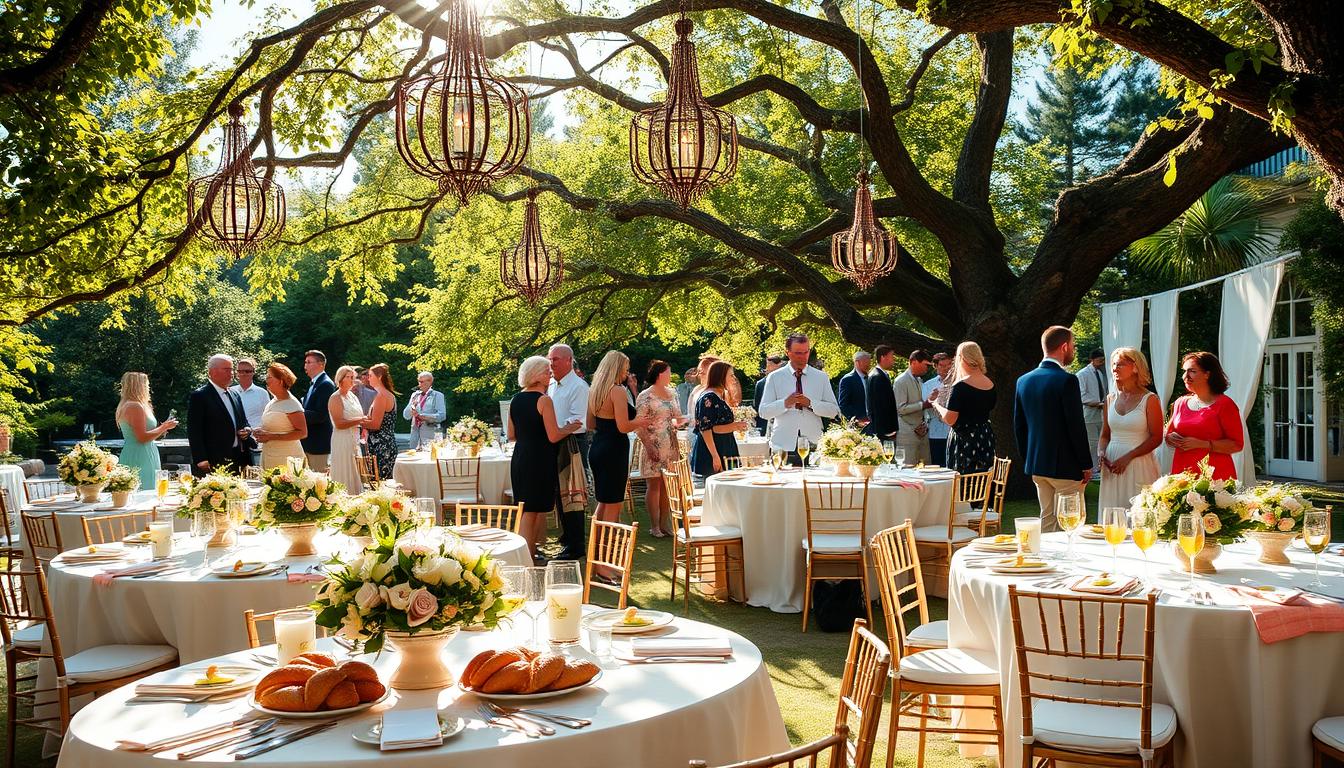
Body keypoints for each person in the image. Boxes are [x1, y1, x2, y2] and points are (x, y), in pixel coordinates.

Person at [1013, 326, 1094, 531]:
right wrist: (1086, 464)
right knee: (1070, 525)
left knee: (1047, 521)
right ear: (1064, 346)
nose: (1073, 351)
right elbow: (1075, 425)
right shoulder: (1067, 380)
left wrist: (1029, 458)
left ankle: (1045, 560)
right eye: (1073, 346)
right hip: (1065, 466)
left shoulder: (1023, 381)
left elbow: (1019, 427)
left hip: (1037, 464)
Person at [587, 351, 653, 580]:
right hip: (613, 450)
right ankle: (602, 565)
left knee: (603, 505)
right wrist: (641, 421)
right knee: (612, 508)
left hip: (597, 448)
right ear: (616, 368)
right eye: (625, 368)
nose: (627, 373)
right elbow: (624, 426)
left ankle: (596, 560)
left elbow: (589, 423)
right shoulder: (615, 391)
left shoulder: (594, 390)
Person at [509, 356, 582, 560]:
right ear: (536, 375)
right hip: (539, 460)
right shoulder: (544, 400)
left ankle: (529, 555)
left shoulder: (516, 399)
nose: (550, 374)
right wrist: (570, 427)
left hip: (521, 457)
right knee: (531, 512)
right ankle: (525, 559)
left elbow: (511, 434)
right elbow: (553, 435)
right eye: (546, 371)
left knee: (526, 509)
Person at [758, 333, 840, 463]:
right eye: (798, 353)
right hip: (783, 445)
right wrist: (785, 403)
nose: (803, 357)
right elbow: (763, 412)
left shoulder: (821, 377)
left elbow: (834, 410)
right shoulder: (774, 377)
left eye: (805, 352)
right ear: (788, 352)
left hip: (814, 444)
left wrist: (811, 403)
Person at [1098, 348, 1163, 512]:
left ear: (1135, 367)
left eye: (1120, 364)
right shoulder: (1110, 399)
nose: (1114, 368)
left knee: (1138, 514)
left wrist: (1128, 458)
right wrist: (1101, 453)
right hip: (1112, 465)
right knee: (1112, 515)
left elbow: (1156, 438)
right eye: (1113, 364)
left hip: (1139, 464)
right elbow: (1105, 435)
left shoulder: (1150, 399)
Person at [1165, 351, 1243, 480]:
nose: (1186, 376)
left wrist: (1204, 444)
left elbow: (1237, 444)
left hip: (1215, 474)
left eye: (1192, 371)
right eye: (1184, 371)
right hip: (1183, 472)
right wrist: (1170, 438)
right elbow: (1169, 434)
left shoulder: (1225, 404)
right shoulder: (1180, 403)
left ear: (1208, 374)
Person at [546, 343, 590, 560]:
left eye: (554, 359)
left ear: (568, 360)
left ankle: (576, 545)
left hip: (572, 444)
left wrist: (555, 432)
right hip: (557, 442)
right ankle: (567, 536)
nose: (550, 363)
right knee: (559, 493)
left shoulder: (579, 387)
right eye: (549, 359)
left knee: (572, 494)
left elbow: (579, 421)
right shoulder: (553, 384)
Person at [635, 360, 687, 537]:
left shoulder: (672, 393)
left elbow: (677, 418)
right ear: (659, 374)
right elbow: (639, 424)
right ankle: (654, 525)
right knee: (654, 484)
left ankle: (665, 524)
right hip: (653, 442)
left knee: (667, 484)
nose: (670, 375)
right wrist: (649, 446)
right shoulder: (645, 395)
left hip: (670, 444)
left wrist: (684, 421)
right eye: (668, 372)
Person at [931, 342, 996, 473]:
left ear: (962, 359)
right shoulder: (990, 384)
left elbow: (950, 419)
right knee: (982, 483)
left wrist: (936, 404)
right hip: (985, 437)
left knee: (963, 484)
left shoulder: (960, 386)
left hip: (965, 440)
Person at [187, 354, 254, 477]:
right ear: (212, 372)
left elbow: (243, 421)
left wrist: (247, 430)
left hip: (237, 458)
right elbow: (194, 430)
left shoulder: (235, 394)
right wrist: (201, 459)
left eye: (232, 369)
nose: (232, 373)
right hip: (213, 460)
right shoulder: (200, 396)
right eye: (227, 369)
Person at [115, 372, 177, 489]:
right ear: (138, 386)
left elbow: (147, 435)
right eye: (146, 385)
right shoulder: (134, 406)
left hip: (146, 451)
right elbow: (142, 438)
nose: (148, 388)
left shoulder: (135, 405)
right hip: (140, 455)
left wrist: (163, 428)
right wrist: (163, 427)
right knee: (143, 490)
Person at [691, 360, 748, 475]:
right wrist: (715, 456)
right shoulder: (708, 397)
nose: (734, 378)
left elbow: (717, 426)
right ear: (721, 376)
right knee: (720, 488)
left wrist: (735, 426)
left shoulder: (719, 395)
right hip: (715, 451)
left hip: (727, 447)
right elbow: (706, 429)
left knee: (732, 485)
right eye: (731, 375)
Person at [253, 362, 308, 470]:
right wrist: (261, 432)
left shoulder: (291, 403)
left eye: (269, 377)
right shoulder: (273, 401)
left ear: (281, 381)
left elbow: (302, 433)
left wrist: (270, 436)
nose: (266, 381)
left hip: (287, 458)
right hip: (270, 455)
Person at [327, 365, 366, 493]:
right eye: (348, 377)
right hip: (342, 439)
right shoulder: (335, 398)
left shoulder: (352, 396)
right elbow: (339, 423)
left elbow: (359, 416)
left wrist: (364, 426)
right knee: (344, 471)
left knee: (355, 472)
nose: (351, 380)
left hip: (354, 440)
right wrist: (361, 420)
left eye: (352, 377)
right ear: (340, 379)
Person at [360, 363, 400, 481]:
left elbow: (375, 424)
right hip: (384, 443)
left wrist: (355, 422)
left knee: (381, 483)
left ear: (380, 377)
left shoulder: (381, 395)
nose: (368, 378)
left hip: (381, 446)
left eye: (370, 375)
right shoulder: (386, 394)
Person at [894, 350, 933, 465]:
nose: (927, 368)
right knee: (906, 470)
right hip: (906, 433)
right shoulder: (900, 381)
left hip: (922, 432)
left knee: (926, 469)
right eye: (926, 364)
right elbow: (900, 409)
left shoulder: (920, 380)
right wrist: (923, 405)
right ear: (914, 362)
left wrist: (925, 422)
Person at [230, 357, 270, 466]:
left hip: (255, 442)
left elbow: (267, 417)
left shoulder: (262, 393)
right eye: (240, 371)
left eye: (247, 371)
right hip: (234, 441)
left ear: (253, 372)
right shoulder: (230, 392)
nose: (243, 374)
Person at [300, 350, 335, 471]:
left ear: (321, 364)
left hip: (318, 444)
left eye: (309, 362)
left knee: (319, 483)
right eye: (305, 362)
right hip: (309, 442)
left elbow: (321, 415)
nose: (305, 366)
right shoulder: (314, 383)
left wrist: (297, 413)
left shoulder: (325, 384)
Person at [1077, 348, 1108, 476]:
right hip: (1089, 414)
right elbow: (1082, 396)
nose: (1102, 363)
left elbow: (1103, 391)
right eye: (1099, 360)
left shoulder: (1100, 374)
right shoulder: (1081, 374)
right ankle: (1093, 469)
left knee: (1102, 441)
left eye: (1103, 360)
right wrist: (1099, 403)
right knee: (1092, 442)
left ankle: (1101, 468)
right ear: (1092, 360)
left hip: (1101, 413)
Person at [403, 371, 447, 449]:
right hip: (415, 438)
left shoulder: (438, 395)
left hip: (431, 436)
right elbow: (406, 416)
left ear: (430, 381)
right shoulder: (415, 395)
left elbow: (442, 416)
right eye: (419, 381)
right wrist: (411, 406)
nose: (419, 384)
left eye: (422, 381)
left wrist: (423, 416)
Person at [923, 352, 953, 466]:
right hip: (936, 433)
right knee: (937, 465)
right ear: (935, 366)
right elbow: (924, 409)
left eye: (949, 364)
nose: (946, 368)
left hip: (954, 432)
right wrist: (932, 400)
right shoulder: (928, 385)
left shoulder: (959, 384)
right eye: (942, 365)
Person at [864, 345, 899, 441]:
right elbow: (880, 406)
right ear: (883, 357)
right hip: (883, 431)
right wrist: (888, 431)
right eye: (892, 356)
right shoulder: (878, 377)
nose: (894, 360)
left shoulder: (879, 374)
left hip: (882, 429)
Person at [837, 350, 871, 425]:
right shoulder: (847, 380)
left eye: (869, 362)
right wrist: (857, 421)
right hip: (858, 426)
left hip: (874, 424)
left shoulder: (871, 379)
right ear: (857, 362)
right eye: (866, 362)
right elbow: (843, 405)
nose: (869, 365)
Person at [752, 355, 784, 433]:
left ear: (779, 365)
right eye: (767, 365)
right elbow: (757, 405)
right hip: (765, 422)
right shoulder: (761, 384)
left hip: (782, 421)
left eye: (770, 365)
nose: (768, 368)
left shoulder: (786, 381)